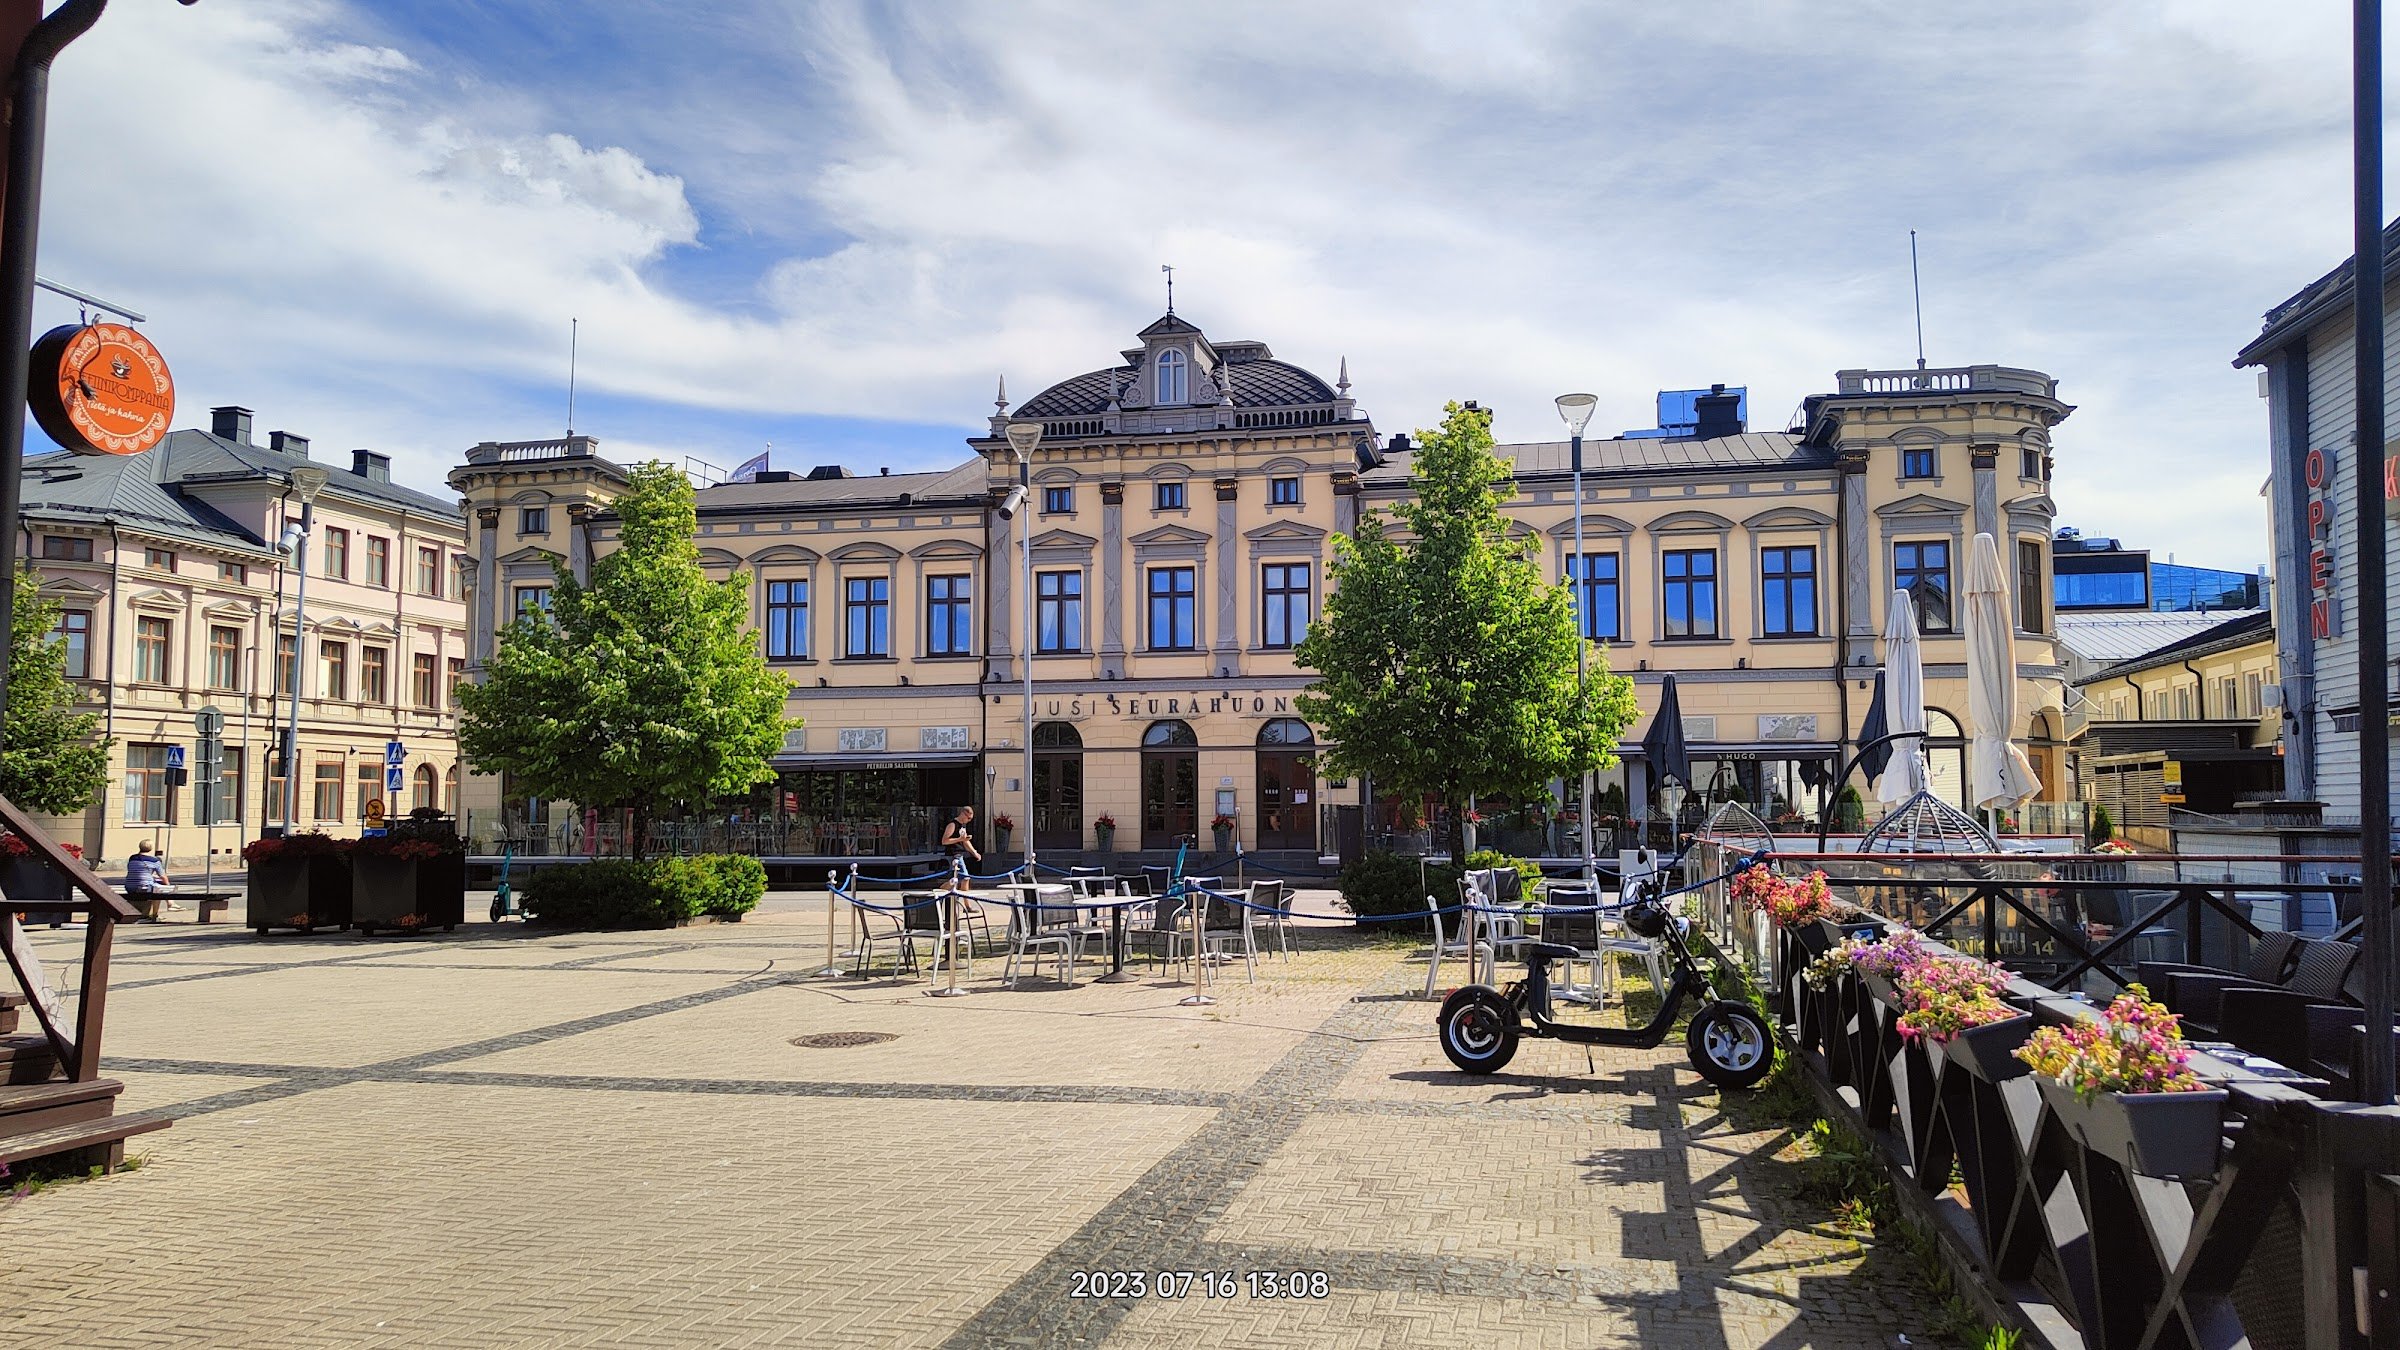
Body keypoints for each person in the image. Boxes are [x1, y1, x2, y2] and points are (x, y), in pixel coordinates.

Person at [126, 842, 180, 918]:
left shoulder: (132, 858)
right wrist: (167, 886)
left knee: (156, 884)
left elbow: (138, 872)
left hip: (129, 887)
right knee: (159, 890)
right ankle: (155, 915)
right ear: (151, 848)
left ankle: (170, 904)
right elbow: (163, 876)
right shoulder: (154, 860)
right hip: (144, 888)